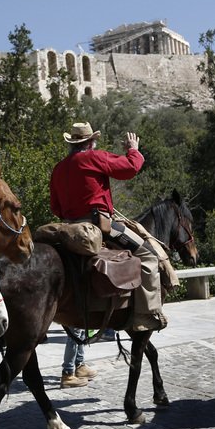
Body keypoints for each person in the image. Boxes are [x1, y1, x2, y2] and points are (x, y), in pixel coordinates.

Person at [50, 122, 167, 331]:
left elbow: (55, 207)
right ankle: (146, 315)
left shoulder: (59, 168)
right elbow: (130, 168)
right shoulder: (94, 157)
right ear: (90, 142)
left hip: (68, 229)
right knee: (149, 256)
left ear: (72, 144)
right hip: (98, 226)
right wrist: (133, 150)